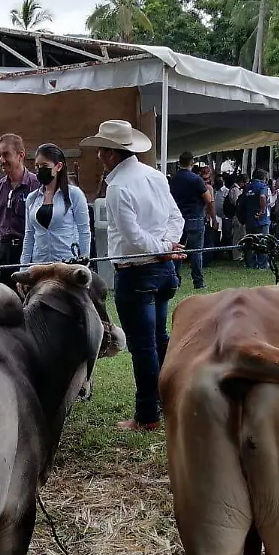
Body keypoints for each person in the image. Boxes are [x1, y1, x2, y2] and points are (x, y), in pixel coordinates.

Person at [82, 120, 184, 431]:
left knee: (144, 346)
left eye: (101, 150)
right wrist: (167, 246)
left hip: (136, 273)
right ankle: (169, 401)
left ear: (111, 154)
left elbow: (134, 238)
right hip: (162, 269)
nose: (99, 156)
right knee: (159, 339)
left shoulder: (118, 188)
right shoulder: (155, 176)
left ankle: (147, 415)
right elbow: (176, 219)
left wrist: (163, 247)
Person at [20, 143, 91, 266]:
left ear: (58, 166)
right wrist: (23, 267)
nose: (40, 170)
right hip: (39, 264)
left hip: (67, 263)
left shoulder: (74, 194)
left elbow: (84, 231)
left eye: (45, 166)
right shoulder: (32, 198)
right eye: (37, 166)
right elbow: (29, 236)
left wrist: (84, 260)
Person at [0, 133, 40, 291]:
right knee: (6, 300)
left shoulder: (37, 185)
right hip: (4, 253)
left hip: (30, 251)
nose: (1, 160)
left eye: (6, 154)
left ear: (20, 155)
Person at [170, 151, 215, 289]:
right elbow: (208, 199)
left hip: (178, 219)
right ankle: (198, 282)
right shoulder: (196, 179)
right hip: (195, 217)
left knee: (177, 251)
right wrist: (212, 216)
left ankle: (175, 280)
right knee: (196, 252)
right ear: (192, 162)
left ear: (179, 162)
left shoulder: (174, 179)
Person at [242, 169, 271, 269]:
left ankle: (251, 264)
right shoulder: (263, 186)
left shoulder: (247, 187)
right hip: (261, 220)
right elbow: (262, 197)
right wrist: (262, 210)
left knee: (250, 242)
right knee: (262, 242)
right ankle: (262, 265)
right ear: (264, 178)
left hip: (249, 219)